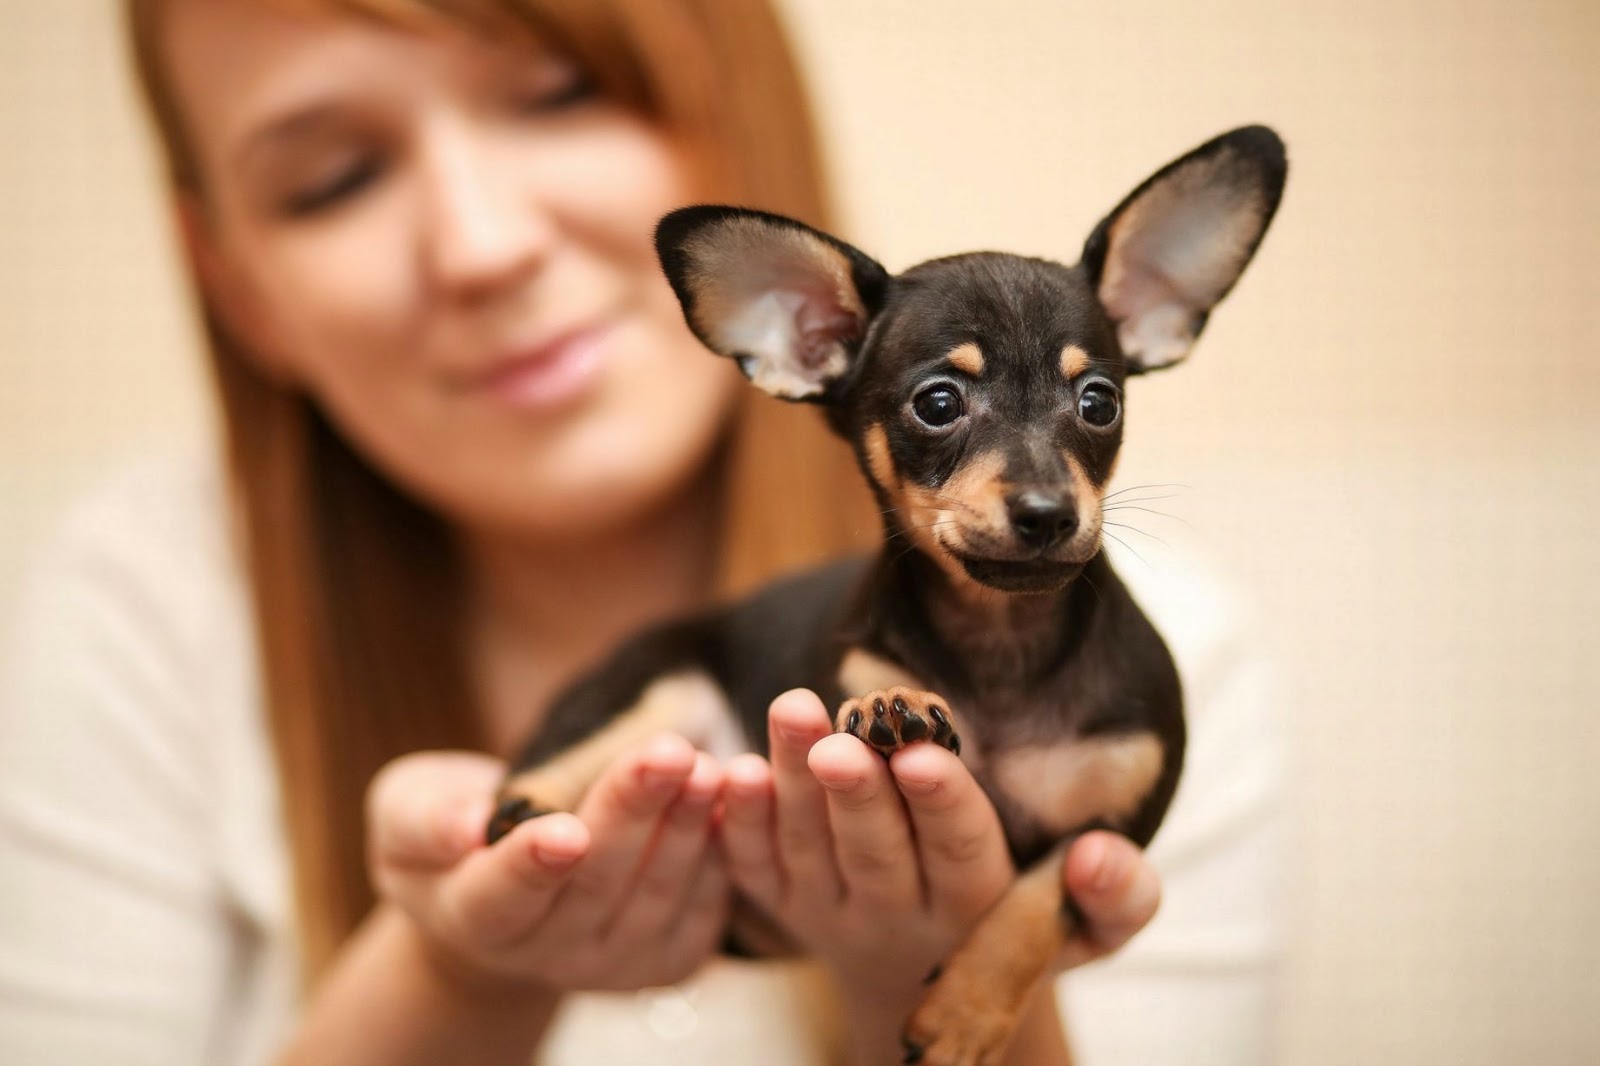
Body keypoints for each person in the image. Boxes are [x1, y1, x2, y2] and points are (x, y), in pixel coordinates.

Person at [0, 1, 1285, 1064]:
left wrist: (932, 961)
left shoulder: (1187, 654)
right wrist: (458, 968)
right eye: (334, 177)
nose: (481, 243)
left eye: (557, 93)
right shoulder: (143, 612)